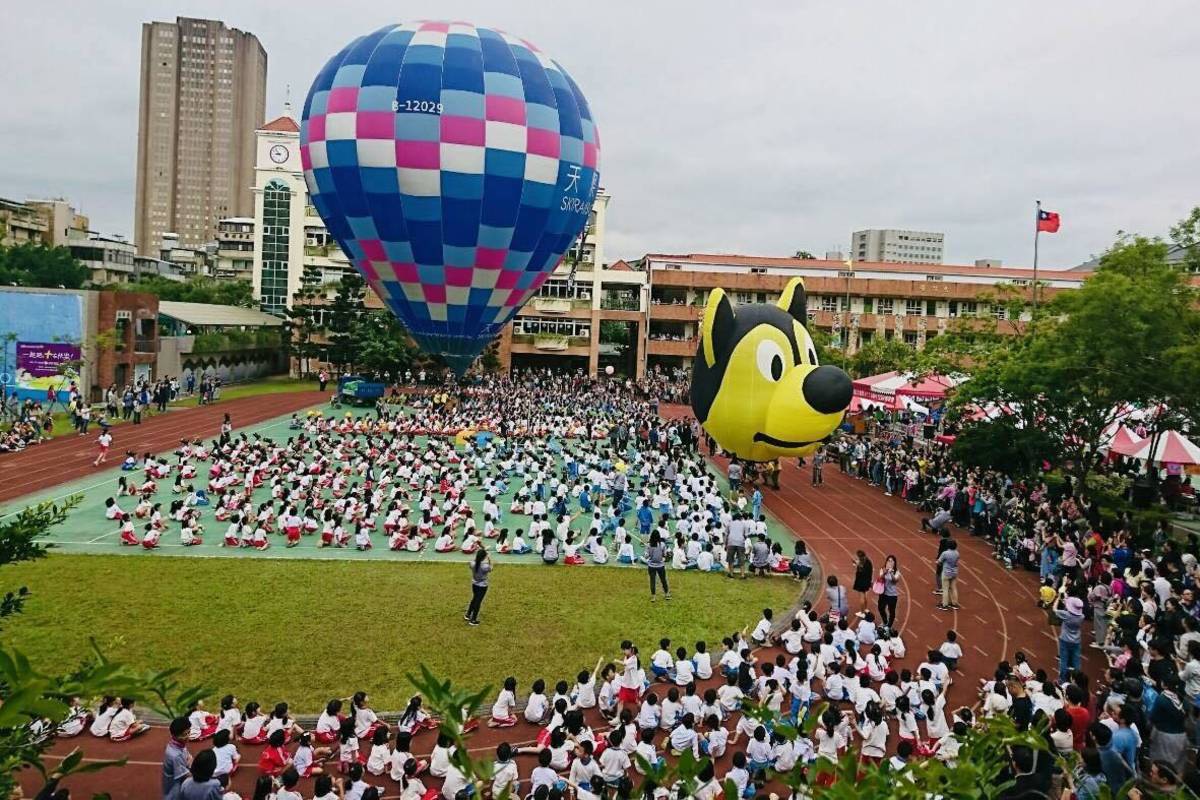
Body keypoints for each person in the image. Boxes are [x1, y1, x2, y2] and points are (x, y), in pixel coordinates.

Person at [1054, 594, 1085, 680]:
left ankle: (1062, 679)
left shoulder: (1066, 615)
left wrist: (1058, 598)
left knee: (1064, 660)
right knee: (1076, 661)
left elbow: (1055, 609)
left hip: (1065, 639)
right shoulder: (1082, 617)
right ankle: (1078, 679)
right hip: (1076, 640)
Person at [161, 717, 193, 800]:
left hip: (176, 779)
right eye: (184, 735)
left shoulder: (177, 743)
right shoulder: (175, 755)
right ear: (174, 735)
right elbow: (187, 775)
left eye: (188, 732)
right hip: (175, 786)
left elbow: (189, 757)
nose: (187, 736)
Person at [465, 548, 491, 626]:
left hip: (474, 584)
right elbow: (490, 568)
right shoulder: (485, 566)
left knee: (474, 598)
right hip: (482, 586)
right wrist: (489, 559)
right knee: (478, 602)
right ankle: (473, 620)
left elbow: (472, 562)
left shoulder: (473, 563)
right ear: (484, 557)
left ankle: (468, 614)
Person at [645, 529, 671, 601]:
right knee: (663, 580)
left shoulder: (649, 545)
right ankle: (667, 594)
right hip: (660, 565)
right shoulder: (662, 545)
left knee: (652, 581)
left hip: (651, 565)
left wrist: (648, 550)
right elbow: (665, 554)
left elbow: (646, 556)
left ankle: (653, 597)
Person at [877, 555, 901, 630]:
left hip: (892, 595)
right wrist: (885, 572)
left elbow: (895, 580)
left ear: (894, 562)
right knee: (880, 608)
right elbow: (880, 578)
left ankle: (889, 626)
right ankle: (885, 621)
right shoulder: (882, 569)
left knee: (891, 611)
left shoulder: (897, 572)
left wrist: (891, 573)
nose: (890, 562)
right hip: (883, 593)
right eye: (888, 560)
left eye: (892, 561)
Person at [936, 539, 960, 612]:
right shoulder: (957, 553)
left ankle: (944, 604)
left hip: (946, 572)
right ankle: (954, 603)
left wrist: (937, 562)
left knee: (945, 589)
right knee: (954, 588)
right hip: (954, 572)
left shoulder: (945, 553)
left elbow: (939, 561)